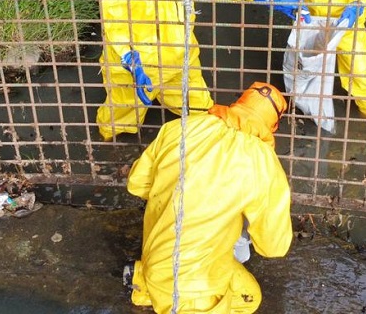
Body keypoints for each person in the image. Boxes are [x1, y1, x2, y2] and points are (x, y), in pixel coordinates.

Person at [97, 0, 305, 141]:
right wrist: (130, 60)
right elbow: (114, 23)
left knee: (198, 106)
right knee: (122, 114)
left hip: (180, 56)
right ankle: (109, 143)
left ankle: (203, 136)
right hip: (141, 66)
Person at [124, 82, 293, 314]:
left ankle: (145, 282)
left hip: (154, 252)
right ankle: (161, 294)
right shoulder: (264, 163)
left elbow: (137, 185)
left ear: (238, 103)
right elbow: (274, 246)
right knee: (248, 301)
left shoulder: (180, 127)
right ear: (273, 125)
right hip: (192, 287)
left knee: (248, 292)